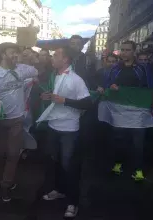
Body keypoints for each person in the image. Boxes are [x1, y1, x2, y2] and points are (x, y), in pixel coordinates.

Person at [39, 45, 92, 218]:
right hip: (54, 126)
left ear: (66, 60)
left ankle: (73, 202)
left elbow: (87, 104)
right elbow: (56, 99)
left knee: (70, 166)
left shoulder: (76, 79)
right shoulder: (55, 76)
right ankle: (59, 190)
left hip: (69, 129)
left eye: (56, 56)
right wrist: (48, 97)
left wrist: (65, 100)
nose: (52, 58)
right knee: (55, 162)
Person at [0, 43, 38, 202]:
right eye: (12, 53)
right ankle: (2, 179)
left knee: (13, 154)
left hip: (17, 120)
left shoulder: (20, 69)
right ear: (3, 54)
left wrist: (22, 62)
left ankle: (5, 186)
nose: (15, 55)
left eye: (17, 53)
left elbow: (35, 71)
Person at [106, 40, 152, 181]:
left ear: (134, 51)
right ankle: (118, 164)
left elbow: (149, 88)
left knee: (137, 143)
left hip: (138, 111)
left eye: (127, 50)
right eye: (122, 50)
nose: (124, 52)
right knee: (119, 140)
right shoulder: (115, 68)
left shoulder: (142, 68)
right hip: (119, 111)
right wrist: (111, 87)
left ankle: (138, 170)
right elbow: (107, 85)